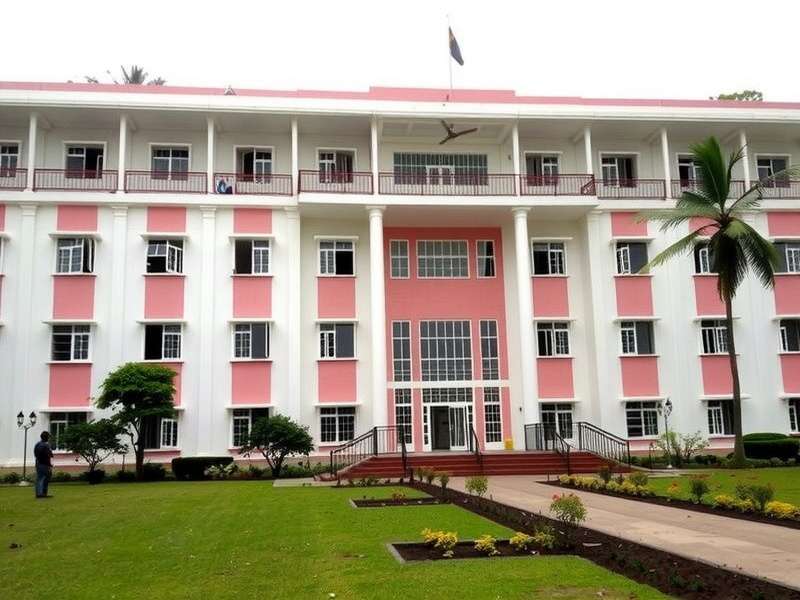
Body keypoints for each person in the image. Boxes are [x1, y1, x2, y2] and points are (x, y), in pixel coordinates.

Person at [34, 431, 53, 499]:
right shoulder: (46, 445)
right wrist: (49, 464)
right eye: (48, 437)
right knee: (43, 479)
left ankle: (41, 493)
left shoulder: (37, 444)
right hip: (45, 464)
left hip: (39, 463)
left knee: (40, 478)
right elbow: (50, 455)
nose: (49, 438)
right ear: (46, 437)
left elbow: (36, 454)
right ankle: (41, 493)